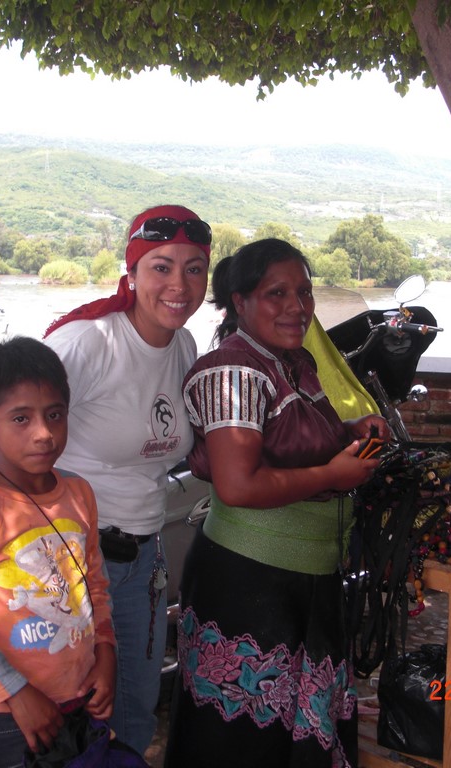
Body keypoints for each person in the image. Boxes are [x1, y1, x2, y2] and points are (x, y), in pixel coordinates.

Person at [0, 204, 212, 755]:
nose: (178, 284)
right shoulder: (89, 342)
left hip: (140, 558)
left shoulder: (185, 349)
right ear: (133, 272)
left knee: (130, 712)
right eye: (161, 267)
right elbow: (6, 421)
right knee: (60, 727)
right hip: (61, 556)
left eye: (194, 269)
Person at [164, 238, 387, 768]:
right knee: (244, 738)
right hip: (249, 583)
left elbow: (294, 438)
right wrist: (333, 474)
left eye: (304, 293)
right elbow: (237, 486)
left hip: (305, 577)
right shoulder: (234, 373)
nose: (297, 307)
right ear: (239, 302)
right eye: (276, 293)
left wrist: (352, 429)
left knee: (292, 730)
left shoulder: (294, 362)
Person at [0, 337, 116, 766]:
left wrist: (106, 654)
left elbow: (95, 586)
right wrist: (15, 692)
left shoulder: (79, 493)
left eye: (54, 415)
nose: (44, 434)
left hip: (80, 692)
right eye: (21, 419)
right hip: (9, 710)